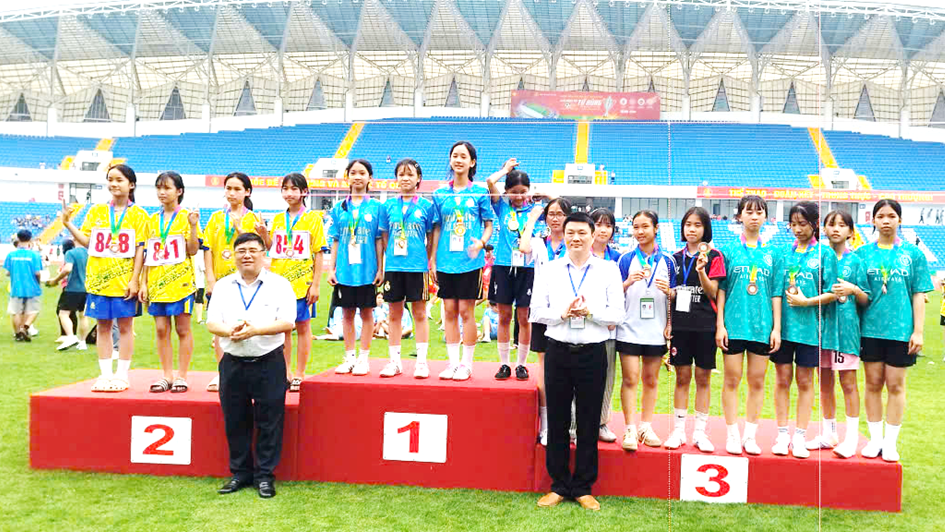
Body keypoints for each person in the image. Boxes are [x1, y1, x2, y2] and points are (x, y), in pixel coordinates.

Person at [531, 212, 624, 511]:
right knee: (557, 419)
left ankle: (583, 487)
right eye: (570, 232)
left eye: (582, 232)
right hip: (558, 350)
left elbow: (618, 313)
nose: (576, 238)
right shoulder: (550, 269)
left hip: (593, 352)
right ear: (564, 234)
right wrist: (562, 314)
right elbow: (536, 311)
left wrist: (590, 313)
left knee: (588, 420)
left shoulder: (608, 269)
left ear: (593, 235)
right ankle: (558, 485)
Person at [206, 232, 295, 499]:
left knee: (270, 421)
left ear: (263, 254)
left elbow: (287, 322)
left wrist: (255, 330)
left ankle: (265, 475)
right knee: (235, 420)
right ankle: (240, 473)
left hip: (269, 361)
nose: (247, 255)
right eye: (241, 251)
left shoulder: (280, 285)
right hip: (232, 363)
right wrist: (230, 331)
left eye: (253, 250)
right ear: (233, 256)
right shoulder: (223, 286)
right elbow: (212, 323)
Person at [856, 199, 932, 462]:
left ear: (899, 220)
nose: (886, 221)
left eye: (891, 216)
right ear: (873, 220)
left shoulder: (913, 254)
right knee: (872, 384)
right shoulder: (862, 254)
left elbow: (918, 294)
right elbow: (858, 293)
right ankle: (875, 440)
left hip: (901, 331)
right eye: (881, 216)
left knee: (896, 385)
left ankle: (890, 443)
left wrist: (918, 331)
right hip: (870, 330)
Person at [62, 164, 148, 392]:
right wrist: (68, 224)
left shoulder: (139, 215)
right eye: (110, 179)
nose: (113, 184)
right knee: (103, 327)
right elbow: (87, 242)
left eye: (119, 180)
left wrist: (135, 280)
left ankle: (122, 375)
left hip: (124, 282)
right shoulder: (97, 211)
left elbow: (140, 249)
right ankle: (105, 375)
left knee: (126, 327)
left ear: (131, 184)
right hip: (98, 280)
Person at [770, 201, 838, 458]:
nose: (797, 229)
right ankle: (781, 435)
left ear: (814, 224)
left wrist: (807, 302)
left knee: (805, 382)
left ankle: (799, 436)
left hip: (811, 330)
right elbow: (776, 292)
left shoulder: (825, 254)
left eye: (802, 224)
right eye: (793, 224)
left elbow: (833, 292)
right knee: (782, 380)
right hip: (784, 329)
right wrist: (775, 328)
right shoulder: (782, 254)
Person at [716, 195, 782, 455]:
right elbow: (721, 290)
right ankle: (732, 435)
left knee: (757, 381)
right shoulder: (728, 250)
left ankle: (750, 436)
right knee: (732, 379)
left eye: (759, 212)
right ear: (739, 216)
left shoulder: (773, 252)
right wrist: (720, 325)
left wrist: (776, 329)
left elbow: (776, 293)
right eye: (749, 211)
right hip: (734, 325)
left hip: (762, 326)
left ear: (766, 217)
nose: (754, 216)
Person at [430, 141, 495, 381]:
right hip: (445, 261)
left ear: (472, 162)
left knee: (467, 312)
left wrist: (481, 243)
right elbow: (437, 228)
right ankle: (452, 363)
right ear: (450, 160)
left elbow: (489, 225)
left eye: (463, 156)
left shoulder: (479, 193)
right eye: (455, 156)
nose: (458, 160)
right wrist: (433, 259)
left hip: (470, 262)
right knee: (448, 311)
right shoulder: (439, 194)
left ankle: (467, 365)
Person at [809, 210, 870, 458]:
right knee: (824, 383)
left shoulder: (855, 261)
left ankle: (851, 439)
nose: (836, 229)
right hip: (820, 329)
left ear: (851, 232)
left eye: (842, 225)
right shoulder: (817, 259)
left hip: (846, 331)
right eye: (831, 224)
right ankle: (829, 433)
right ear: (824, 229)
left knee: (848, 383)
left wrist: (853, 289)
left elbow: (866, 299)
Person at [666, 207, 726, 452]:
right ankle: (678, 431)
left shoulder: (715, 256)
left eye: (697, 225)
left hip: (705, 325)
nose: (692, 229)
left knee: (703, 378)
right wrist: (669, 295)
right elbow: (672, 295)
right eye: (688, 224)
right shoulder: (674, 258)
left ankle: (700, 433)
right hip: (681, 326)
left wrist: (701, 270)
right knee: (681, 377)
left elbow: (713, 292)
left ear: (705, 228)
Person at [616, 210, 676, 450]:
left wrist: (670, 317)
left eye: (645, 227)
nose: (640, 232)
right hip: (629, 328)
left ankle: (646, 426)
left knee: (651, 379)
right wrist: (628, 282)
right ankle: (630, 428)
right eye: (636, 227)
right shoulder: (624, 259)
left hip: (656, 330)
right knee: (630, 378)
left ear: (656, 228)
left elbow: (676, 295)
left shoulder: (668, 261)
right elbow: (614, 293)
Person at [202, 172, 267, 392]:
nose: (232, 193)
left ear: (247, 192)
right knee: (220, 329)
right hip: (222, 282)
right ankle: (222, 372)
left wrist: (241, 231)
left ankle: (249, 373)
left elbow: (262, 248)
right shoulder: (215, 218)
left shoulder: (254, 219)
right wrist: (210, 279)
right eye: (228, 188)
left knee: (247, 324)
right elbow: (208, 250)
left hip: (247, 282)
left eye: (237, 189)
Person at [141, 172, 200, 393]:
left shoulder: (187, 216)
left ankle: (182, 376)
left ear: (179, 191)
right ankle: (166, 375)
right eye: (159, 188)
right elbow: (147, 254)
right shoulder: (151, 220)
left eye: (167, 188)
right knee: (160, 329)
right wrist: (144, 282)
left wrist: (193, 227)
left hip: (181, 284)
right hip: (157, 284)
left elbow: (193, 250)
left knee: (182, 329)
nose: (162, 192)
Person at [378, 159, 438, 378]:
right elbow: (385, 236)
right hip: (394, 267)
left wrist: (427, 260)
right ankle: (394, 362)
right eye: (401, 174)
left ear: (418, 178)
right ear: (396, 178)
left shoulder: (427, 206)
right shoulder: (387, 206)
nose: (405, 178)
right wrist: (391, 257)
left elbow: (431, 237)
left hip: (417, 267)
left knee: (419, 313)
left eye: (410, 174)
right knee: (394, 314)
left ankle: (421, 362)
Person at [268, 172, 326, 391]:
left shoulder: (313, 219)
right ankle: (285, 373)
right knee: (283, 331)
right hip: (278, 284)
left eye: (294, 188)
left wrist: (316, 284)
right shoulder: (277, 219)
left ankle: (300, 374)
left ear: (304, 192)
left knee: (303, 328)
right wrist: (264, 234)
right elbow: (271, 248)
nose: (289, 193)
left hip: (302, 284)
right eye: (285, 189)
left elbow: (318, 252)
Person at [521, 197, 571, 445]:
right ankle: (546, 425)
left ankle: (568, 424)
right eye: (551, 213)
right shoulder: (540, 244)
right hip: (542, 312)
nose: (555, 218)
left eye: (561, 214)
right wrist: (532, 219)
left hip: (567, 311)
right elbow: (523, 247)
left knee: (567, 368)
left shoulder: (574, 243)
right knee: (544, 367)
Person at [329, 159, 384, 376]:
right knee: (347, 314)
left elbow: (379, 240)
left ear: (370, 178)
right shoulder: (339, 208)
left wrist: (380, 269)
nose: (357, 177)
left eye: (362, 173)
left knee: (367, 313)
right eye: (353, 172)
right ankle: (350, 358)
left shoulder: (377, 207)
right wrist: (332, 269)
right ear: (347, 177)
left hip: (367, 271)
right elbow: (335, 240)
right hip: (345, 271)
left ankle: (363, 359)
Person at [485, 162, 536, 381]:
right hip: (503, 266)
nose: (519, 196)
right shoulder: (502, 207)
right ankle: (504, 364)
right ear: (506, 191)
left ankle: (521, 365)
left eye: (523, 192)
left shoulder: (535, 210)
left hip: (527, 268)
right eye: (514, 192)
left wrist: (540, 195)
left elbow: (558, 203)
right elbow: (490, 181)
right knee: (504, 316)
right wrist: (506, 171)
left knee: (524, 317)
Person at [589, 207, 621, 442]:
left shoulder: (618, 258)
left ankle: (601, 423)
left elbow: (621, 293)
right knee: (579, 377)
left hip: (609, 329)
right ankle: (575, 423)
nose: (603, 229)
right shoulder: (579, 254)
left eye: (608, 225)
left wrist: (612, 317)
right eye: (598, 224)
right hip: (583, 327)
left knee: (607, 376)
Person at [46, 239, 90, 351]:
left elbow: (67, 269)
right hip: (87, 288)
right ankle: (83, 342)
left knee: (63, 313)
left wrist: (55, 280)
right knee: (83, 315)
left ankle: (70, 336)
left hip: (73, 288)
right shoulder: (89, 252)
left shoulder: (71, 253)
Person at [5, 229, 42, 342]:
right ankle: (24, 328)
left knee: (16, 312)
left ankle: (17, 334)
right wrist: (39, 283)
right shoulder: (34, 255)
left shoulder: (11, 255)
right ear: (30, 239)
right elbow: (37, 273)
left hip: (16, 286)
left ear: (18, 238)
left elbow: (7, 272)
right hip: (32, 286)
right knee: (32, 310)